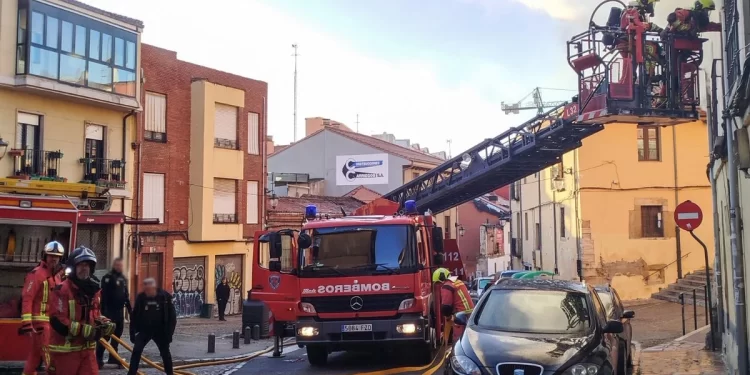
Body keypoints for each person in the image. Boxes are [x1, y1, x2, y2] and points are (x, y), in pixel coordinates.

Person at [48, 246, 116, 375]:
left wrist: (103, 323)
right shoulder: (62, 290)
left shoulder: (94, 290)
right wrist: (82, 329)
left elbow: (94, 314)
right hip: (66, 352)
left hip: (87, 350)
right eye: (80, 265)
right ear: (73, 268)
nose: (84, 268)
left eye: (87, 265)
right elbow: (57, 320)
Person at [19, 241, 65, 375]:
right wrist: (27, 323)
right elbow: (27, 298)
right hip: (40, 324)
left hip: (51, 323)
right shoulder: (36, 274)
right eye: (51, 256)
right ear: (45, 256)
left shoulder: (57, 276)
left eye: (57, 256)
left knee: (34, 358)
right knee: (51, 359)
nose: (54, 259)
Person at [128, 277, 177, 375]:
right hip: (144, 330)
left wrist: (169, 334)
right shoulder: (141, 297)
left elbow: (172, 317)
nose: (147, 289)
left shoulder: (165, 297)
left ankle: (170, 373)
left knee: (165, 354)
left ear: (154, 287)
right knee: (136, 351)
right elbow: (134, 316)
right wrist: (132, 333)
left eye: (149, 287)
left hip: (160, 331)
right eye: (145, 287)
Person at [96, 258, 132, 369]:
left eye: (121, 265)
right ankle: (98, 359)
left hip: (119, 312)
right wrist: (103, 313)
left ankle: (114, 358)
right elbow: (103, 296)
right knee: (105, 337)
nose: (119, 267)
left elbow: (126, 296)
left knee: (117, 337)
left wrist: (131, 312)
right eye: (117, 265)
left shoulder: (123, 279)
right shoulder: (107, 278)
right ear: (114, 265)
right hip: (109, 312)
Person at [433, 268, 474, 343]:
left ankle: (456, 352)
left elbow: (446, 306)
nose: (439, 285)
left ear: (441, 278)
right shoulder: (458, 282)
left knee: (458, 339)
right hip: (470, 313)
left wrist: (448, 317)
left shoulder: (447, 286)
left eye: (438, 282)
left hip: (460, 315)